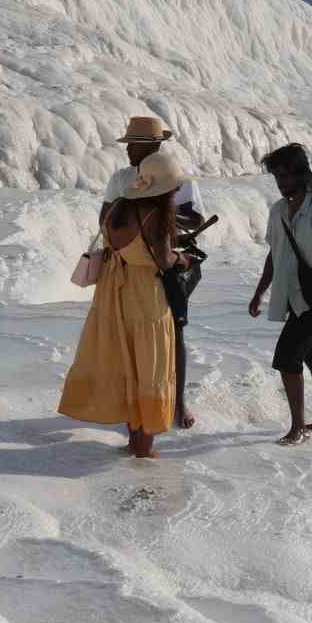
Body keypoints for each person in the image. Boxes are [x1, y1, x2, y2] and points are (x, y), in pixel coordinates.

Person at [58, 153, 185, 459]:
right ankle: (144, 451)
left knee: (128, 366)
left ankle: (133, 441)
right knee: (150, 369)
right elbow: (162, 259)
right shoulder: (154, 216)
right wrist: (182, 259)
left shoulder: (117, 207)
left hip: (115, 296)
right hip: (145, 298)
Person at [102, 116, 205, 429]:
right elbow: (105, 220)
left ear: (152, 147)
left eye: (133, 145)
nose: (128, 150)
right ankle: (135, 404)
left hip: (169, 264)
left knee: (174, 331)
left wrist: (162, 219)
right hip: (130, 266)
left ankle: (177, 402)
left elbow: (195, 220)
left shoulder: (180, 180)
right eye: (129, 144)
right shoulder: (120, 179)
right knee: (131, 337)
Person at [248, 143, 312, 446]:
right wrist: (259, 291)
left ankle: (298, 427)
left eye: (285, 176)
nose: (281, 183)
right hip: (294, 292)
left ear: (300, 175)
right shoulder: (279, 210)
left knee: (287, 357)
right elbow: (274, 253)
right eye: (277, 177)